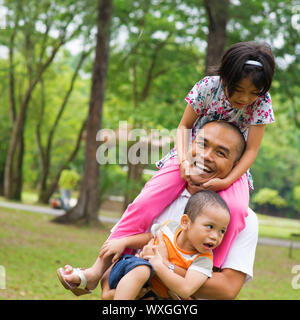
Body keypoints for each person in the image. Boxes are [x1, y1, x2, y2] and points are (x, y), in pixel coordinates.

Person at [57, 120, 252, 298]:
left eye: (221, 153)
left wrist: (159, 264)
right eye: (202, 144)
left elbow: (226, 288)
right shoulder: (156, 197)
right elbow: (122, 254)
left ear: (237, 165)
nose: (206, 156)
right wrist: (108, 286)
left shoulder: (239, 216)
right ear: (188, 144)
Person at [105, 190, 230, 300]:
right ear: (185, 222)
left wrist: (159, 265)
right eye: (209, 227)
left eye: (222, 231)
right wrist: (124, 242)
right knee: (142, 270)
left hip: (154, 292)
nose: (215, 236)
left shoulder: (203, 260)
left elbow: (186, 289)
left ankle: (113, 295)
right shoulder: (170, 227)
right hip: (131, 267)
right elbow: (149, 237)